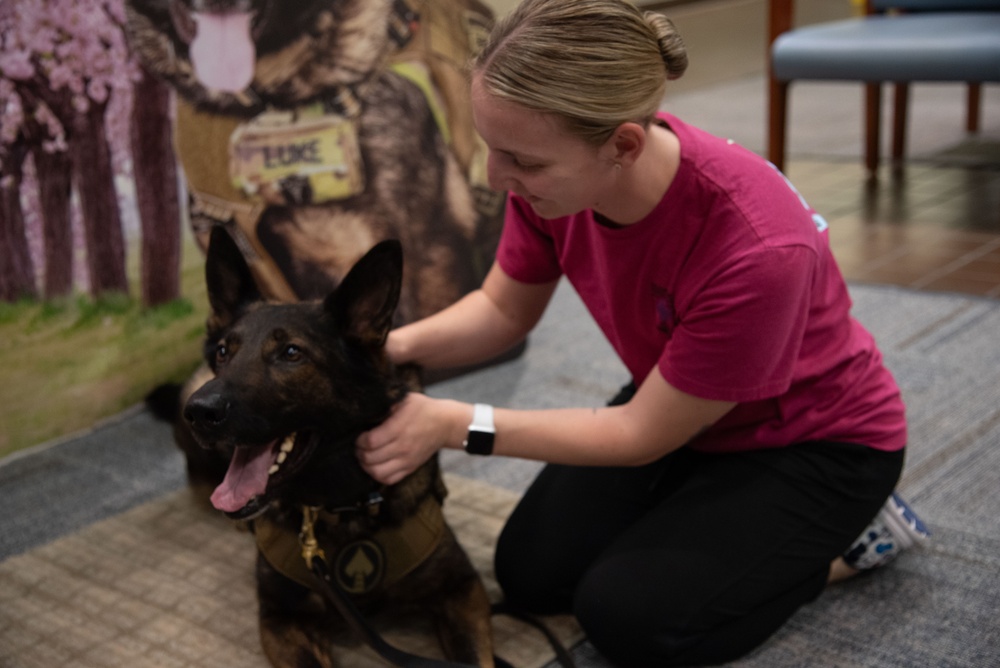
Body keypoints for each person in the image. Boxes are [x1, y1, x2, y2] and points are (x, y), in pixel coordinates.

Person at [355, 0, 929, 664]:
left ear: (624, 144)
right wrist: (384, 347)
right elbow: (503, 311)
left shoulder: (758, 248)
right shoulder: (557, 184)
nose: (495, 178)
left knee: (630, 621)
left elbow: (639, 437)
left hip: (814, 442)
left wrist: (453, 423)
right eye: (489, 146)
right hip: (680, 396)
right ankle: (714, 524)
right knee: (533, 576)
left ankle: (846, 545)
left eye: (521, 160)